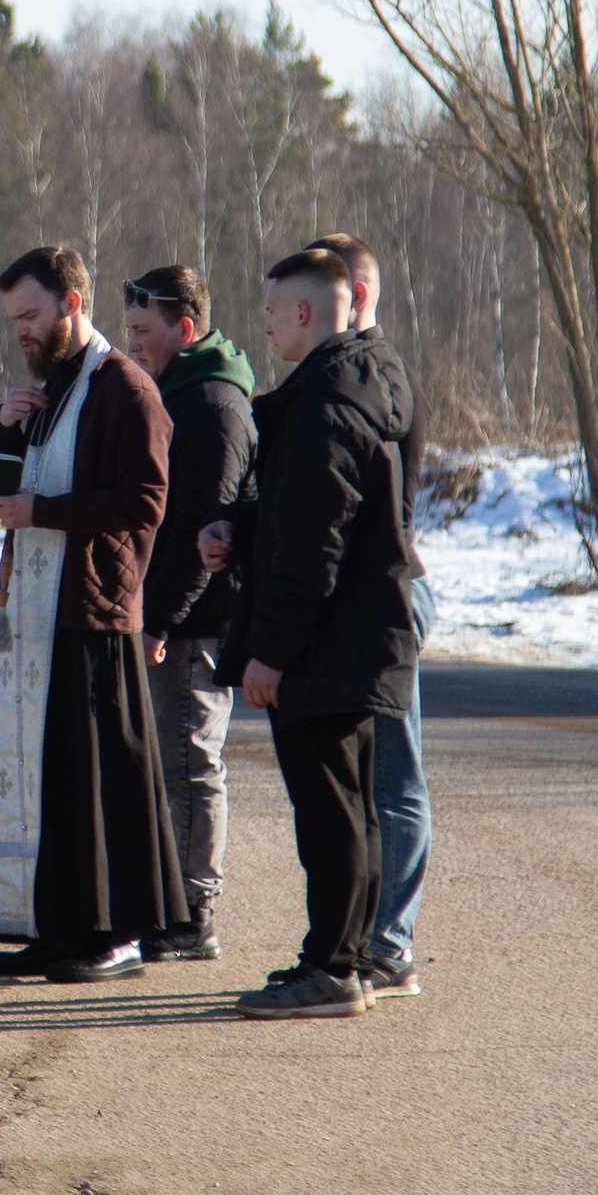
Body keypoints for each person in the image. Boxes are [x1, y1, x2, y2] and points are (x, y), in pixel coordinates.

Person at [211, 248, 421, 1019]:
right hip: (362, 639)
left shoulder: (321, 407)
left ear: (305, 312)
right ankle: (355, 955)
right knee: (356, 806)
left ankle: (330, 968)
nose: (263, 323)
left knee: (331, 814)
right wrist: (239, 524)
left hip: (329, 646)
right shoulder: (370, 380)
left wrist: (270, 652)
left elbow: (312, 550)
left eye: (272, 310)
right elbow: (313, 519)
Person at [0, 245, 181, 983]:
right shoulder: (53, 390)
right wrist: (2, 427)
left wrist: (42, 511)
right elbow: (20, 488)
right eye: (13, 319)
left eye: (30, 314)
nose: (21, 331)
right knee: (45, 781)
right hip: (35, 614)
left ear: (72, 304)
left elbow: (145, 501)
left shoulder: (125, 388)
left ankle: (114, 935)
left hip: (93, 616)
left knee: (96, 786)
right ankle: (53, 927)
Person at [305, 232, 430, 1001]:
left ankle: (390, 942)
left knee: (394, 774)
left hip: (387, 593)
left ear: (353, 293)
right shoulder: (354, 374)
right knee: (367, 775)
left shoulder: (379, 376)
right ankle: (368, 938)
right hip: (369, 592)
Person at [119, 265, 255, 963]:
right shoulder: (179, 393)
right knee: (171, 762)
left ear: (186, 327)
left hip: (196, 621)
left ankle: (193, 912)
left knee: (189, 761)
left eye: (144, 331)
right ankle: (170, 903)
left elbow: (201, 529)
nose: (133, 343)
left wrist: (160, 620)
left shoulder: (210, 405)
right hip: (173, 614)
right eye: (130, 329)